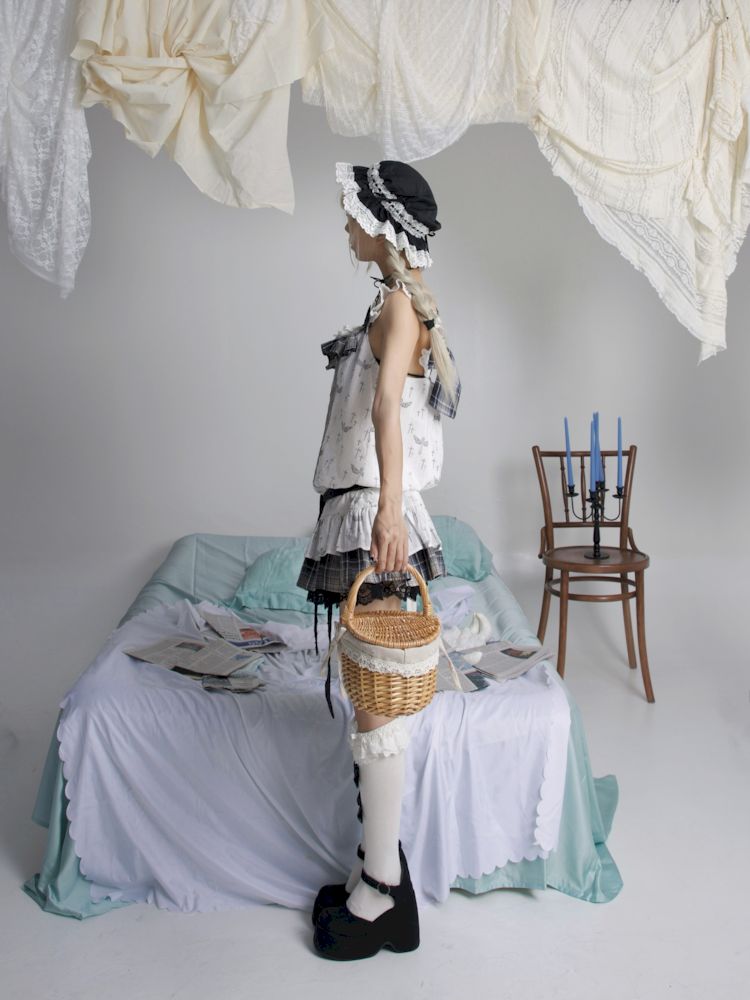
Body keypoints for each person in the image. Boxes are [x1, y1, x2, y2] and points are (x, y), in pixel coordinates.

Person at [296, 160, 460, 961]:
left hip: (373, 514)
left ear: (385, 226)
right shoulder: (393, 301)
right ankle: (378, 876)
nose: (345, 225)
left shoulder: (398, 307)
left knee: (378, 710)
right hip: (364, 508)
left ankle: (381, 894)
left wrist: (390, 510)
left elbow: (389, 406)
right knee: (373, 702)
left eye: (354, 213)